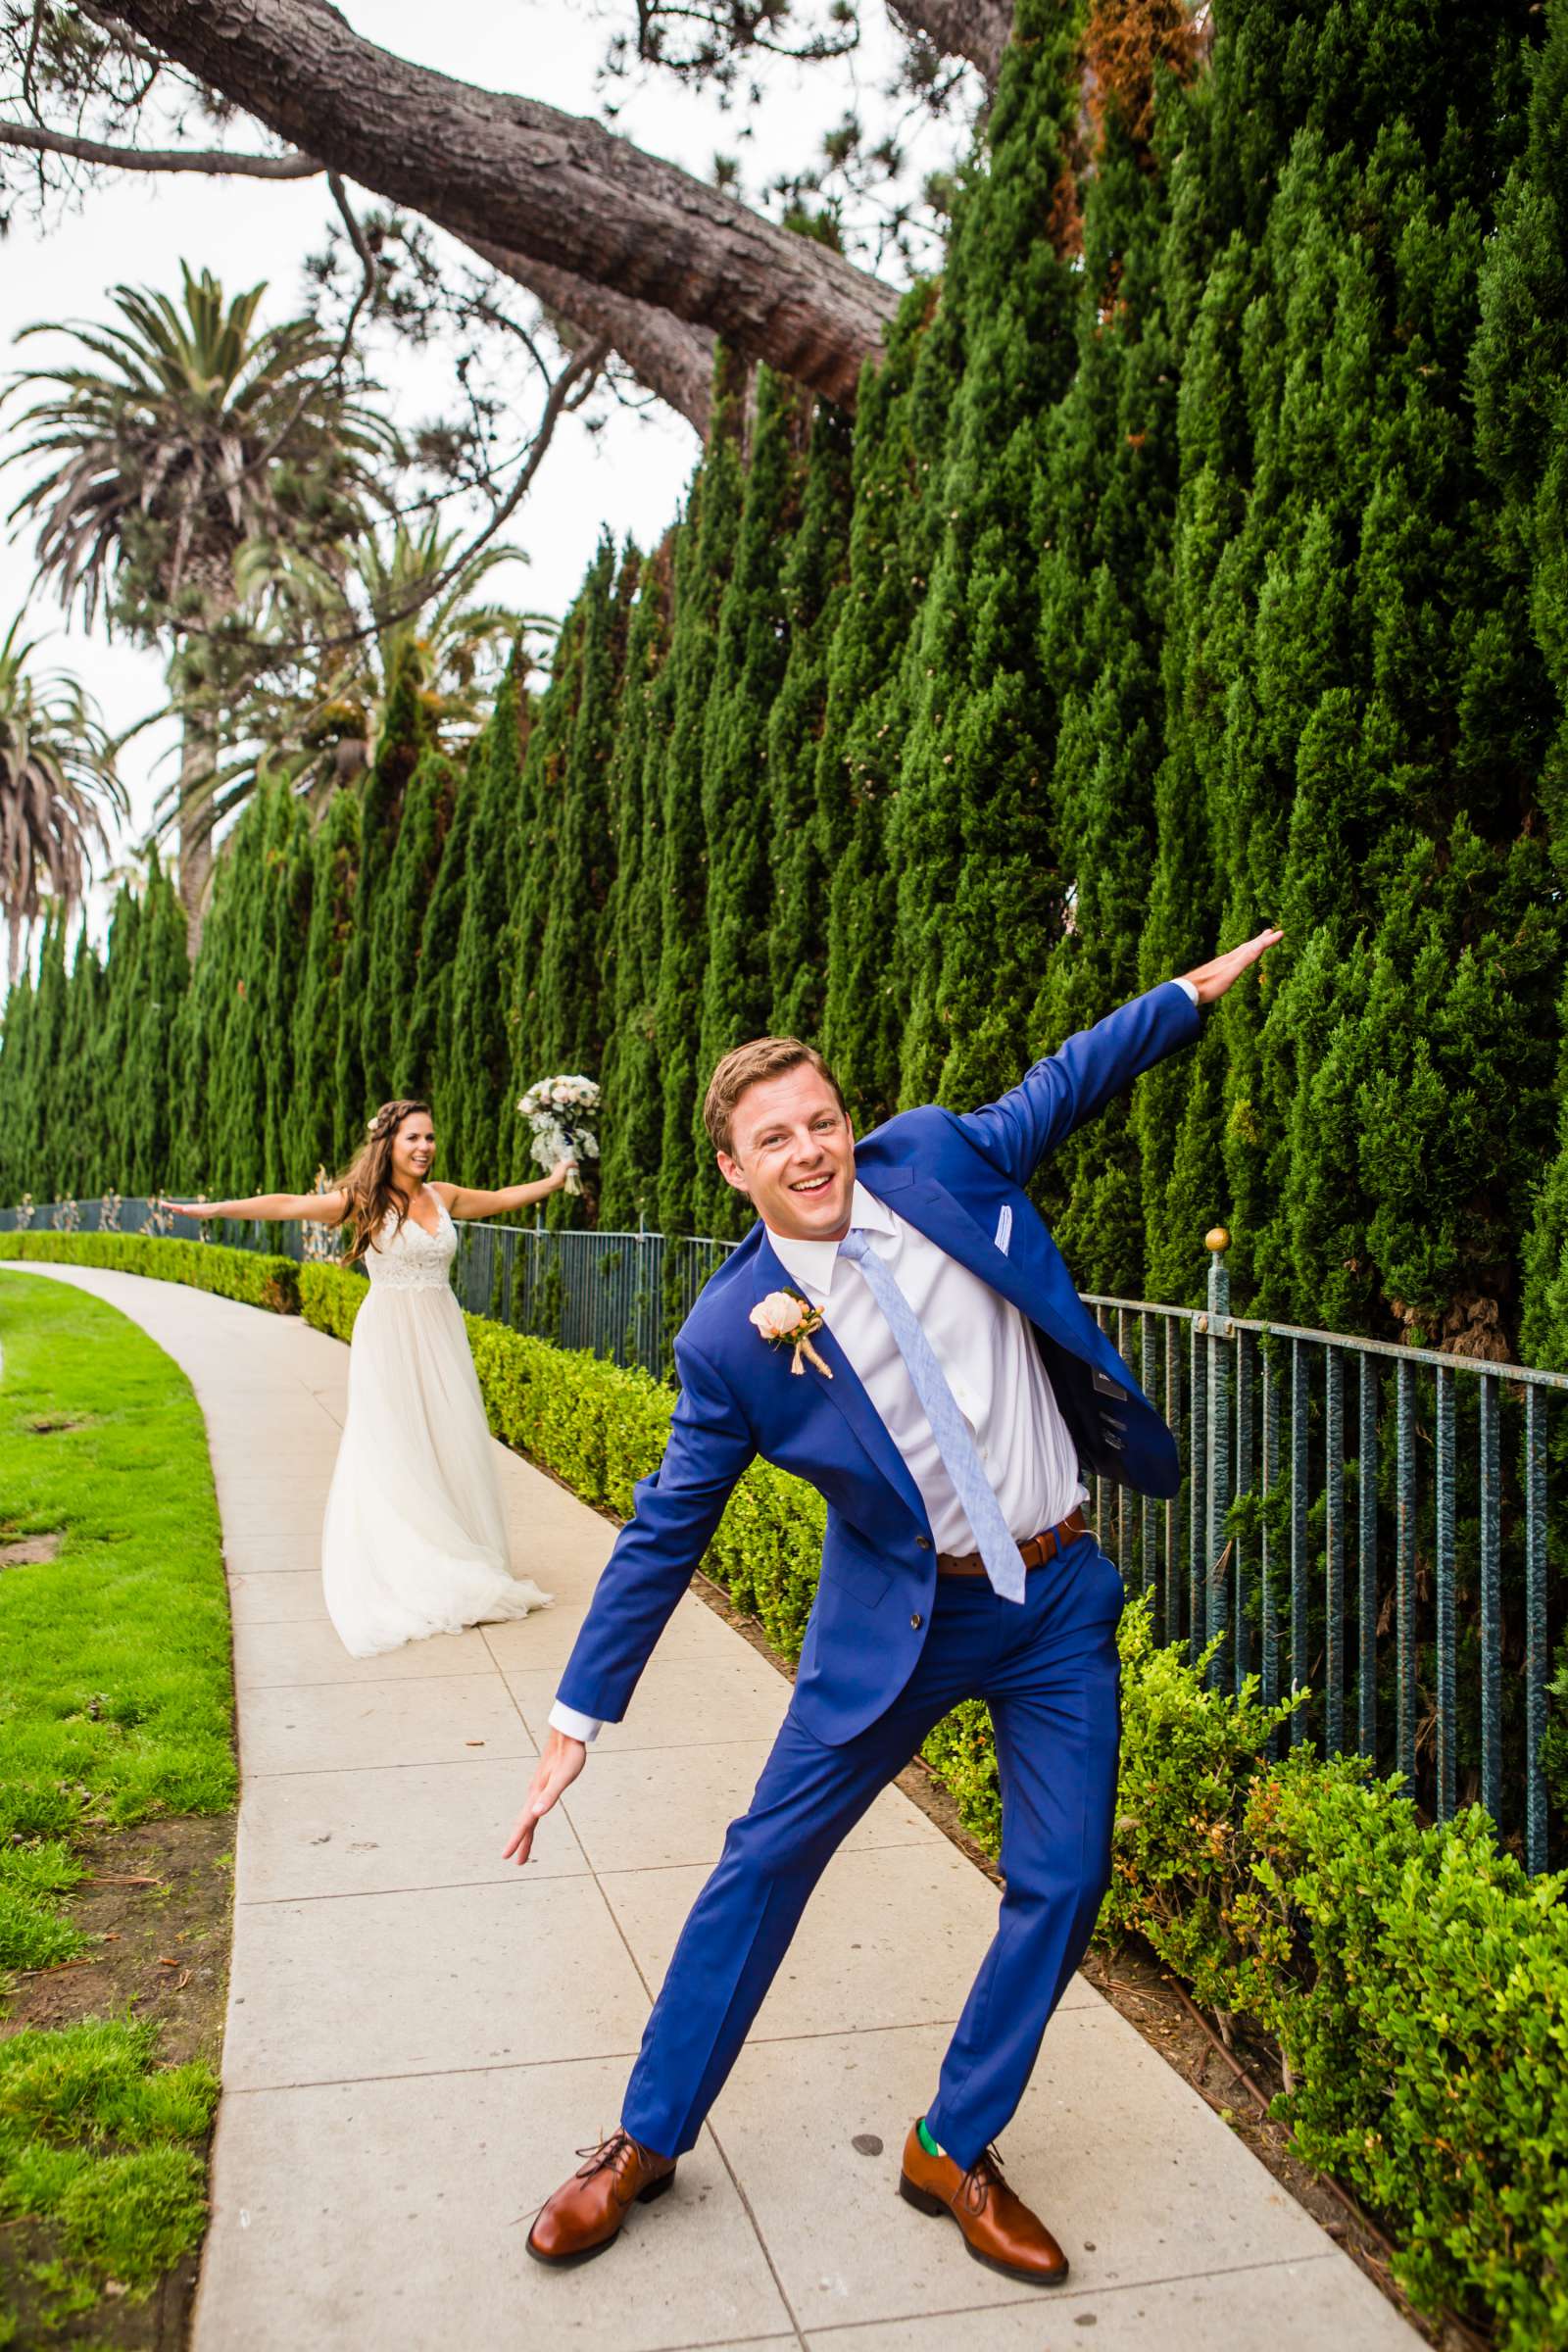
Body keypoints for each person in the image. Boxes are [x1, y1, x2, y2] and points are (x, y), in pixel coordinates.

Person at [505, 931, 1282, 2282]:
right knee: (762, 1868)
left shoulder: (936, 1162)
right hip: (903, 1627)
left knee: (1062, 1878)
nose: (812, 1149)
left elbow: (1065, 1080)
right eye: (775, 1137)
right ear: (734, 1170)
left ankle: (953, 2147)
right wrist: (577, 1715)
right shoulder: (730, 1331)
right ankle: (641, 2139)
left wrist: (1185, 998)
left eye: (824, 1118)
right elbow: (662, 1531)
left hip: (1056, 1600)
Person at [166, 1100, 574, 1657]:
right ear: (390, 1143)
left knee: (447, 1441)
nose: (425, 1147)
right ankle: (412, 1560)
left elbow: (502, 1199)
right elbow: (288, 1205)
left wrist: (552, 1180)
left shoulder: (442, 1196)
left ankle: (460, 1548)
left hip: (440, 1333)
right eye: (413, 1138)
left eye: (430, 1137)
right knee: (396, 1444)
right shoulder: (363, 1201)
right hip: (389, 1336)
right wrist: (214, 1211)